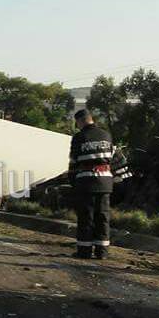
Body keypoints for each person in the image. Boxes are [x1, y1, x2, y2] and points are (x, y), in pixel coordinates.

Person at [68, 108, 114, 259]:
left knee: (86, 217)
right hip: (105, 181)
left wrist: (72, 181)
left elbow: (74, 162)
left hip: (86, 181)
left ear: (80, 121)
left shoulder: (79, 137)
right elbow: (111, 158)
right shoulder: (106, 135)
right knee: (103, 216)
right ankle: (102, 252)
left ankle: (84, 250)